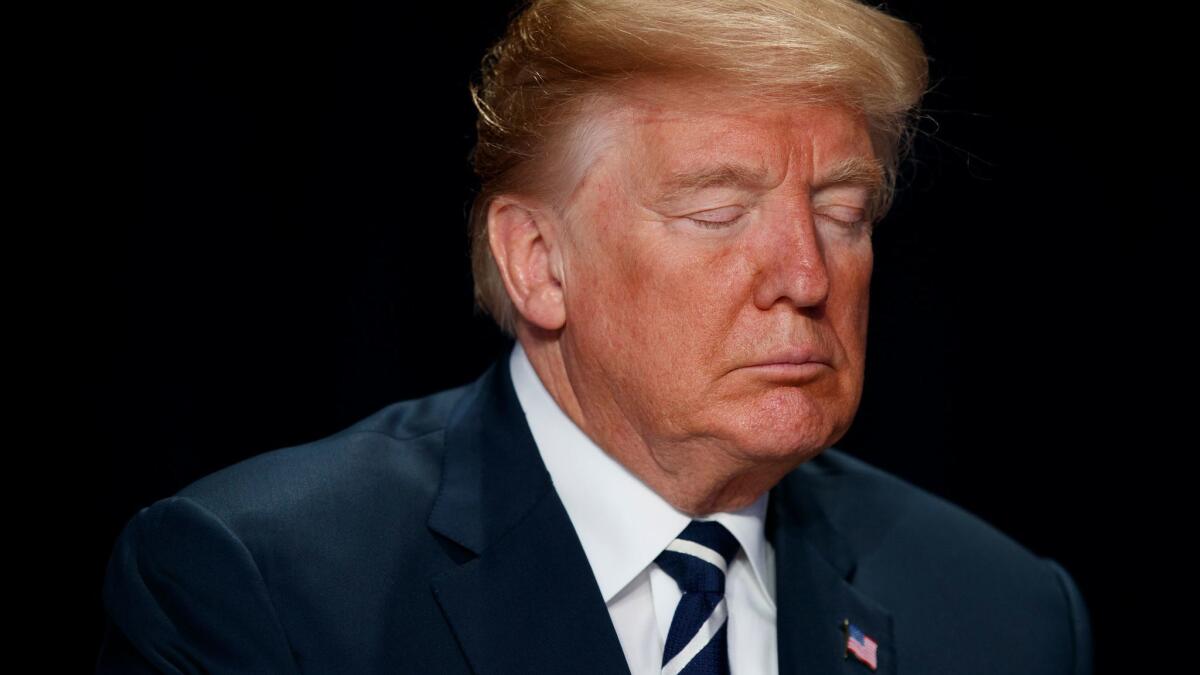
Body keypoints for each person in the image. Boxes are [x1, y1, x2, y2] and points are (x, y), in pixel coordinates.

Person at [97, 0, 1094, 673]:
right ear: (539, 263)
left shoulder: (1003, 617)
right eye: (717, 212)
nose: (806, 276)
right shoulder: (266, 593)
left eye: (843, 214)